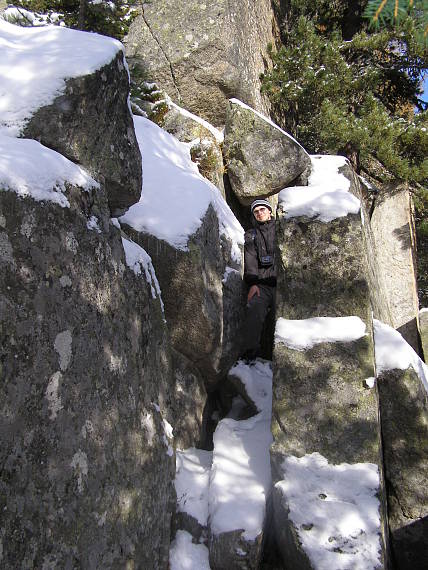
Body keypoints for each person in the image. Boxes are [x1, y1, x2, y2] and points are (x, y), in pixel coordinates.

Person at [241, 198, 277, 360]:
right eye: (256, 211)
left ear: (270, 211)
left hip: (283, 285)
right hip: (261, 285)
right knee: (254, 309)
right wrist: (253, 283)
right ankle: (251, 353)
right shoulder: (251, 235)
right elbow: (250, 259)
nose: (260, 213)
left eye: (263, 210)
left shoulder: (281, 229)